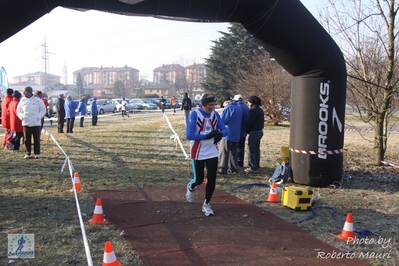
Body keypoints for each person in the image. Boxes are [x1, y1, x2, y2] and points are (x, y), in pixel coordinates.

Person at [185, 93, 228, 216]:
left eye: (214, 105)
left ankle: (207, 203)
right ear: (204, 104)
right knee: (199, 179)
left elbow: (225, 129)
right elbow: (189, 135)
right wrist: (205, 136)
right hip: (198, 151)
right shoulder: (195, 114)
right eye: (210, 105)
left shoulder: (215, 114)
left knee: (212, 178)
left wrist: (221, 134)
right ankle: (191, 186)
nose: (212, 107)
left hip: (212, 150)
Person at [16, 86, 46, 159]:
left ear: (29, 92)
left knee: (36, 139)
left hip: (36, 123)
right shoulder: (22, 100)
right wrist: (22, 117)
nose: (23, 93)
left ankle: (37, 153)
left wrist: (38, 117)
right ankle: (28, 153)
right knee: (26, 139)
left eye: (25, 91)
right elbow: (18, 110)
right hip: (26, 123)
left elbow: (43, 110)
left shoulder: (37, 100)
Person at [218, 96, 242, 174]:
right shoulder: (239, 108)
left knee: (224, 152)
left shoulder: (228, 108)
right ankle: (234, 168)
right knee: (233, 153)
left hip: (227, 134)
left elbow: (222, 121)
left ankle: (223, 169)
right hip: (236, 134)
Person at [245, 95, 264, 173]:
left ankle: (252, 167)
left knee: (251, 149)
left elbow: (249, 121)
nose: (248, 103)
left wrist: (246, 130)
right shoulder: (260, 110)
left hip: (254, 131)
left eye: (248, 102)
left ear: (251, 102)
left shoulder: (253, 110)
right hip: (259, 131)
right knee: (256, 149)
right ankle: (256, 165)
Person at [233, 94, 249, 168]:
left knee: (235, 148)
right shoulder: (246, 107)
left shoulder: (237, 107)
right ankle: (241, 162)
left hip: (236, 131)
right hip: (244, 131)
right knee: (241, 147)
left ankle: (236, 161)